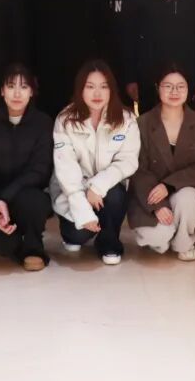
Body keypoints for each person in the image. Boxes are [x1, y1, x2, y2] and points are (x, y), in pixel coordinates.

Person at [52, 61, 140, 265]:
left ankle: (109, 243)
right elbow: (66, 168)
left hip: (107, 189)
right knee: (77, 234)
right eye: (90, 86)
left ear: (112, 90)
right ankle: (74, 234)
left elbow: (127, 161)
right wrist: (83, 209)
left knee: (116, 195)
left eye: (104, 86)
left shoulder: (126, 119)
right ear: (80, 90)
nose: (97, 93)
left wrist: (97, 186)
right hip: (74, 190)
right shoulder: (65, 120)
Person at [129, 65, 195, 261]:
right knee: (158, 237)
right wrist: (158, 205)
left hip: (185, 191)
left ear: (189, 89)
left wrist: (168, 185)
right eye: (168, 86)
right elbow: (139, 170)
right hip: (150, 195)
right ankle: (165, 235)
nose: (174, 91)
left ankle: (184, 242)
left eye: (180, 86)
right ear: (158, 88)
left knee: (187, 199)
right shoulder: (142, 123)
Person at [27, 0, 111, 117]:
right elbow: (28, 30)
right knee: (48, 121)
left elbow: (106, 31)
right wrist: (30, 71)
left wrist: (103, 69)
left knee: (85, 121)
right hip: (46, 69)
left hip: (87, 69)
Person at [0, 65, 54, 271]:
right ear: (2, 91)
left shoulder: (43, 123)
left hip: (27, 196)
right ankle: (16, 243)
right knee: (2, 247)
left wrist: (6, 197)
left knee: (34, 201)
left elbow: (40, 171)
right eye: (11, 87)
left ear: (32, 92)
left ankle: (34, 247)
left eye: (24, 87)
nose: (17, 94)